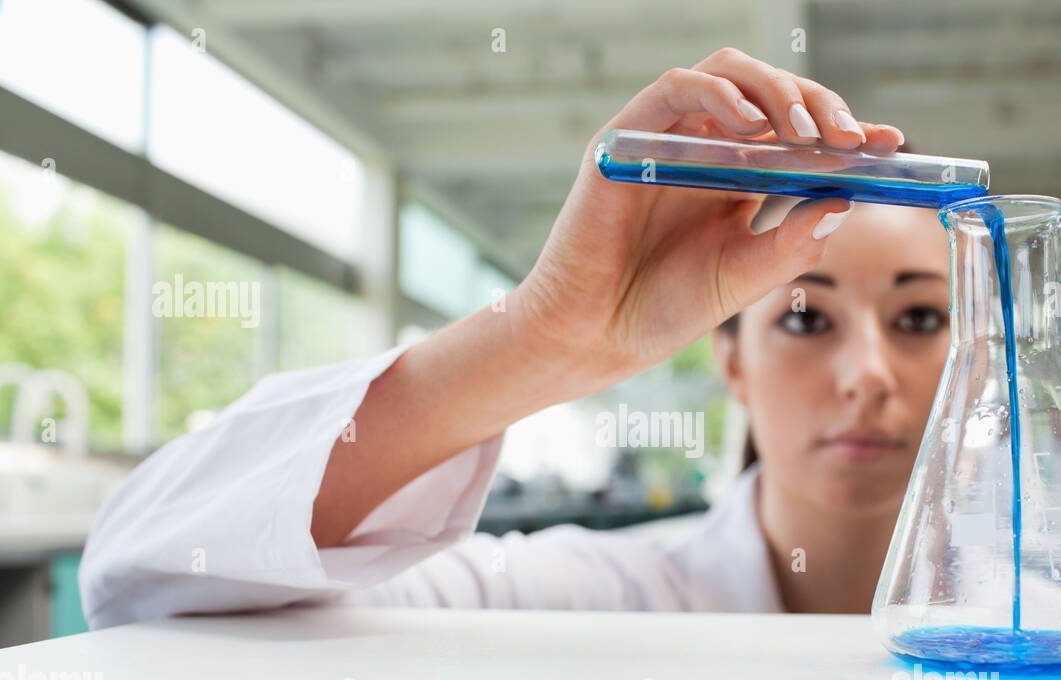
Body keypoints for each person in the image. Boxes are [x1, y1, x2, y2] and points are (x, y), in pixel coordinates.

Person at [80, 47, 952, 629]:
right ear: (730, 358)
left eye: (920, 318)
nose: (868, 374)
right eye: (804, 316)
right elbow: (143, 582)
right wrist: (544, 337)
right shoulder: (606, 601)